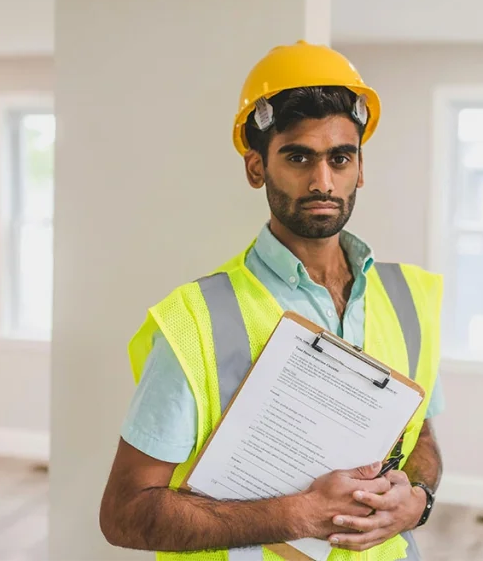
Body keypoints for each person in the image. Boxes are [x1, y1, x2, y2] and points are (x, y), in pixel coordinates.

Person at [98, 40, 445, 561]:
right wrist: (300, 514)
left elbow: (419, 435)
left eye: (340, 158)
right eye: (298, 157)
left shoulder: (410, 297)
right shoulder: (196, 319)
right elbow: (125, 512)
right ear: (256, 167)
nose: (323, 181)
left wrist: (417, 500)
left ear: (360, 168)